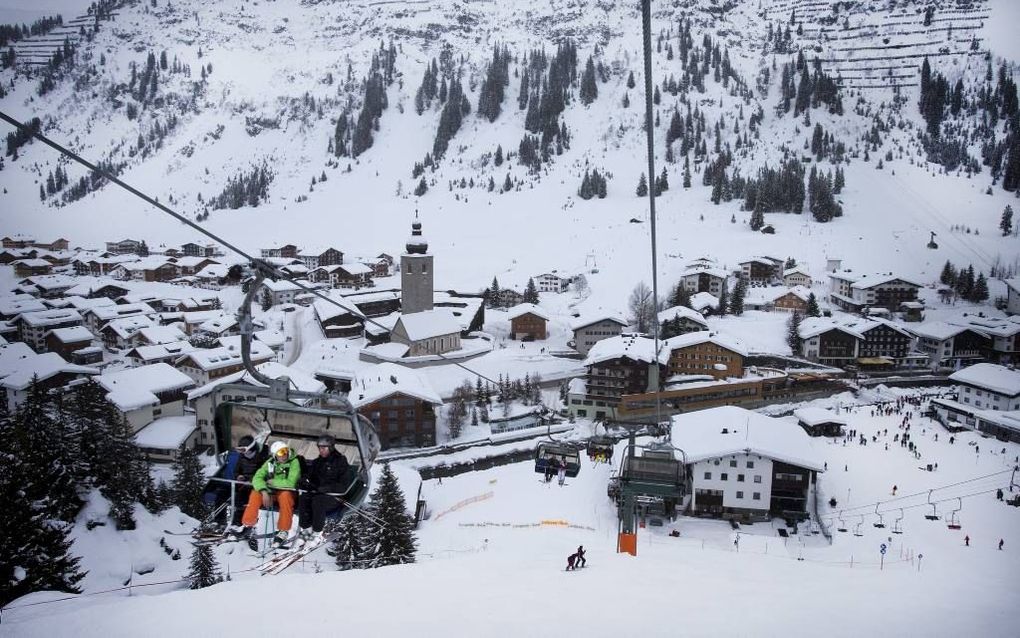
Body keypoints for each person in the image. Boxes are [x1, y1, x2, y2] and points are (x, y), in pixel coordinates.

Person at [236, 441, 301, 547]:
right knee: (255, 493)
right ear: (275, 455)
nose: (284, 455)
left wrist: (273, 482)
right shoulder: (270, 462)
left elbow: (291, 482)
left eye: (285, 451)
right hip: (272, 493)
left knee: (285, 496)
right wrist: (263, 491)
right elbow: (257, 477)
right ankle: (248, 524)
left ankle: (283, 530)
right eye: (280, 453)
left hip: (288, 493)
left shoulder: (294, 462)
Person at [297, 434, 351, 543]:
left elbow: (343, 485)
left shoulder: (340, 461)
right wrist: (304, 481)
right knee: (304, 498)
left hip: (334, 497)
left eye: (324, 448)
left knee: (318, 501)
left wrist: (326, 488)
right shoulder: (318, 462)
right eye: (319, 448)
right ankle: (306, 531)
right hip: (318, 493)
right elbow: (309, 475)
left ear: (330, 448)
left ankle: (317, 533)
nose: (321, 451)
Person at [224, 435, 267, 527]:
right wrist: (238, 476)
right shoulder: (242, 457)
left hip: (255, 485)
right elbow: (236, 470)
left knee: (243, 497)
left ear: (250, 447)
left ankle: (243, 523)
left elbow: (263, 474)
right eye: (239, 450)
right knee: (223, 493)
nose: (241, 453)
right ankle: (221, 522)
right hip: (243, 483)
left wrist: (251, 480)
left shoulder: (262, 457)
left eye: (243, 450)